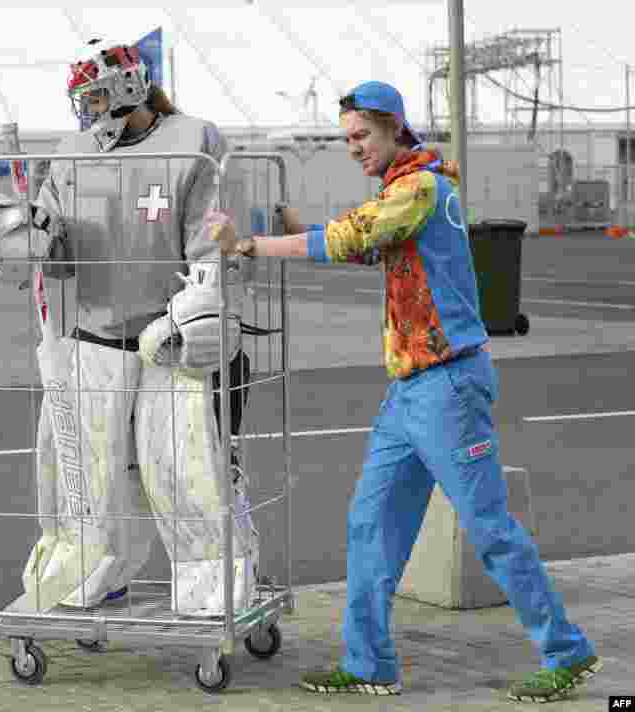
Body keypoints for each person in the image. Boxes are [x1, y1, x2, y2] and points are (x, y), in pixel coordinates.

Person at [212, 80, 601, 702]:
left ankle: (567, 651)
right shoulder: (408, 190)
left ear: (394, 126)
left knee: (490, 527)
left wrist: (253, 246)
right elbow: (366, 245)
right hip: (411, 391)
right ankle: (369, 664)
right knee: (371, 524)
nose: (353, 148)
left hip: (447, 387)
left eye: (361, 135)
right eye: (346, 139)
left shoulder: (420, 187)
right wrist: (298, 230)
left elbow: (353, 238)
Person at [0, 39, 258, 617]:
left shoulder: (193, 142)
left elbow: (214, 238)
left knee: (181, 466)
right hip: (91, 337)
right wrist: (25, 233)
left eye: (97, 93)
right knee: (84, 468)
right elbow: (54, 237)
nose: (88, 107)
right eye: (83, 97)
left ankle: (210, 579)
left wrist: (201, 311)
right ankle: (93, 565)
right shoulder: (72, 151)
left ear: (131, 85)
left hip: (169, 341)